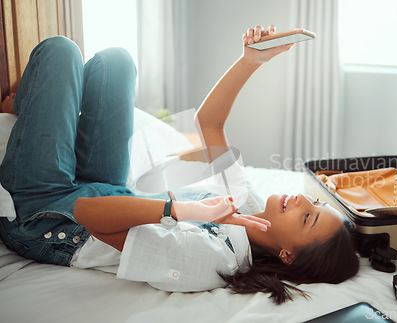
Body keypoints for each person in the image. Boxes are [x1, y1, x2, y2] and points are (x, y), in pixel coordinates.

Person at [0, 25, 359, 304]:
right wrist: (251, 60)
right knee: (117, 61)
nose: (302, 201)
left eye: (308, 218)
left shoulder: (211, 261)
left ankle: (26, 106)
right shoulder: (245, 205)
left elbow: (87, 212)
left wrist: (184, 210)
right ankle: (33, 106)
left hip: (51, 219)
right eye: (314, 203)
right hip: (108, 188)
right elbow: (209, 124)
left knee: (60, 51)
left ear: (287, 255)